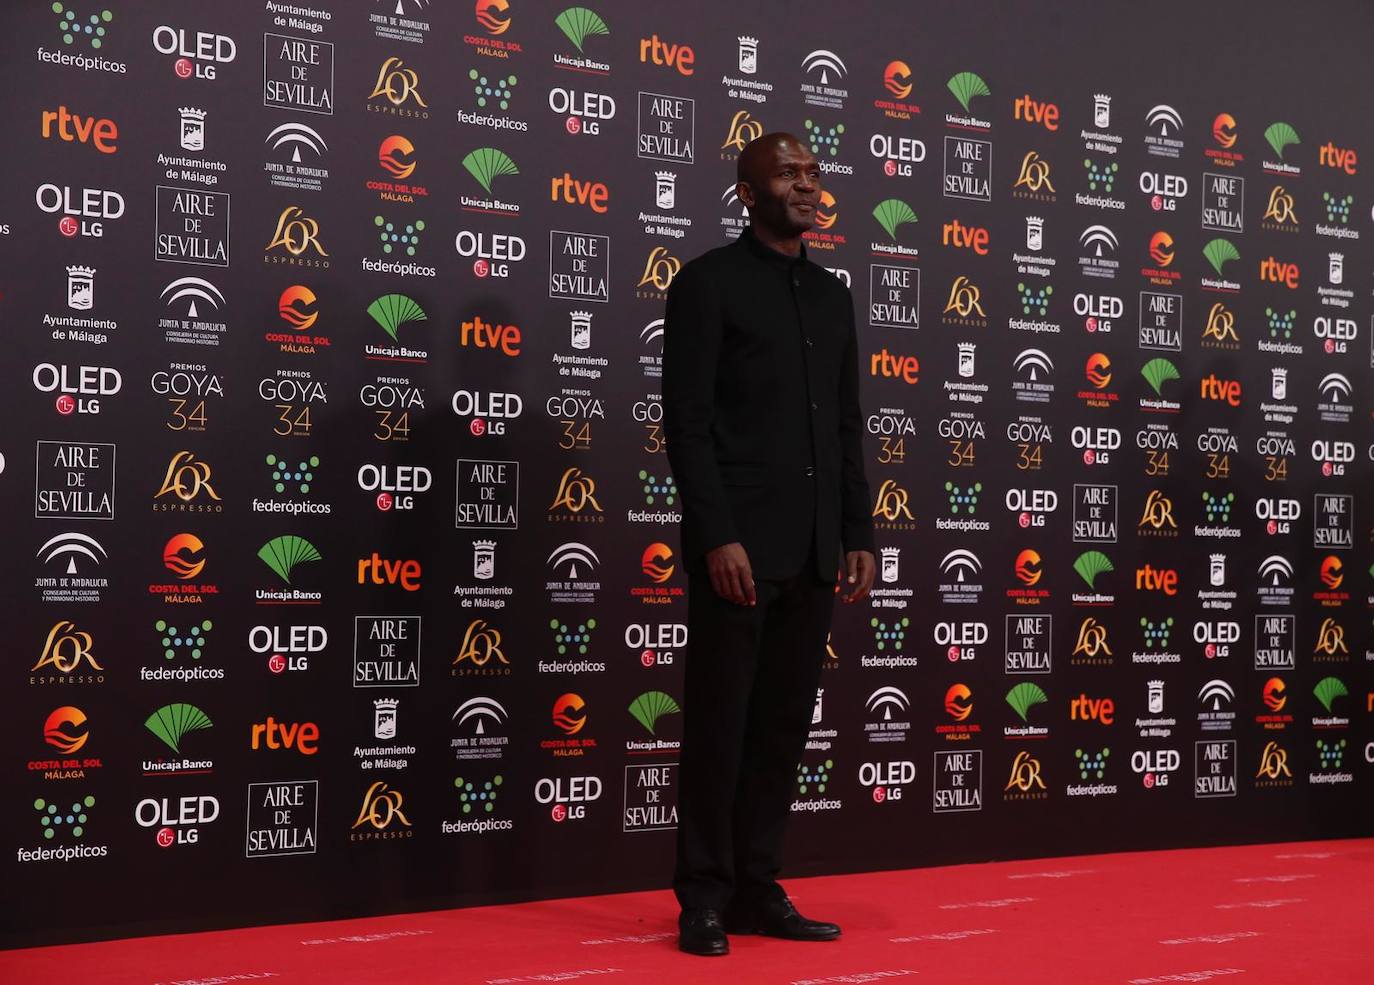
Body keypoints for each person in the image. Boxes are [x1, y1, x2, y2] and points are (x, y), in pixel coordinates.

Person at [662, 132, 877, 957]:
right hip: (739, 553)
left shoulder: (832, 297)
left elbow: (847, 425)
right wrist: (716, 533)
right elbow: (686, 426)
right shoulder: (706, 285)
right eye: (788, 173)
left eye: (815, 173)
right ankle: (704, 898)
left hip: (818, 549)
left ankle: (758, 886)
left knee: (783, 727)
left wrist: (858, 529)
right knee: (720, 725)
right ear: (747, 190)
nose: (807, 185)